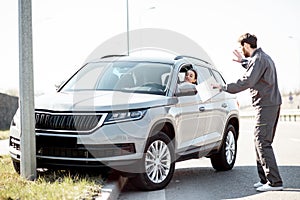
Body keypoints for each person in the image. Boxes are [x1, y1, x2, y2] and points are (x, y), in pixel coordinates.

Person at [213, 33, 283, 192]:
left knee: (262, 141)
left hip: (266, 105)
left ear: (245, 45)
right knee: (259, 140)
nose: (240, 50)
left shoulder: (259, 59)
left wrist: (225, 87)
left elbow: (248, 81)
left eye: (240, 47)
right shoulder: (261, 58)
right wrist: (242, 61)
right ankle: (265, 179)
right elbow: (254, 69)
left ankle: (275, 182)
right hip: (268, 104)